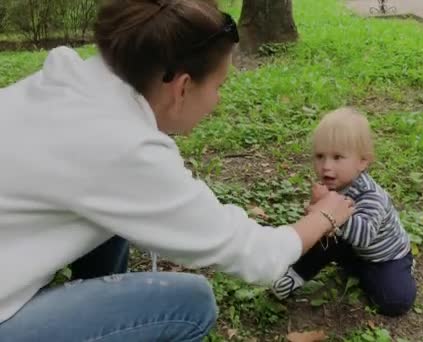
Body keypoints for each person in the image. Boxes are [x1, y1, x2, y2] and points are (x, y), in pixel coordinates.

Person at [0, 0, 354, 341]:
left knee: (117, 217)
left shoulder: (75, 80)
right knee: (191, 304)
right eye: (219, 87)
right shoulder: (123, 147)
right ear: (182, 86)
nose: (217, 101)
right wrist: (322, 216)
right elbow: (257, 256)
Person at [271, 107, 417, 317]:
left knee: (396, 301)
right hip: (351, 248)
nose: (326, 166)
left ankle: (397, 272)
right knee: (322, 239)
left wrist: (331, 215)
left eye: (338, 157)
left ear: (362, 162)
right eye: (320, 156)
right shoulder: (335, 184)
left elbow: (365, 237)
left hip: (385, 257)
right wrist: (318, 210)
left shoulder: (370, 195)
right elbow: (319, 224)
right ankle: (295, 274)